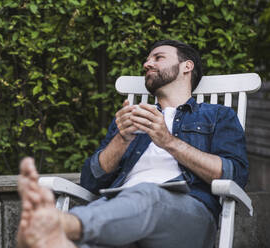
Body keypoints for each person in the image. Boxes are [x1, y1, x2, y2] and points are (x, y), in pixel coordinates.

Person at [16, 40, 248, 248]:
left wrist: (169, 142)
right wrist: (121, 139)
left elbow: (234, 174)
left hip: (186, 213)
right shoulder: (130, 120)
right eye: (147, 60)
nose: (147, 64)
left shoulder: (217, 115)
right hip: (118, 212)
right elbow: (90, 180)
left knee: (147, 194)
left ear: (187, 66)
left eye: (158, 58)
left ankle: (60, 225)